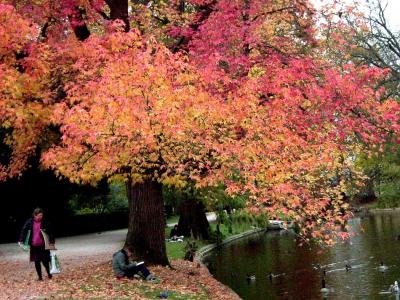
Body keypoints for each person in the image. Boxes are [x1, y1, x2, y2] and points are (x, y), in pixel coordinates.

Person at [19, 208, 55, 281]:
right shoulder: (30, 222)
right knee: (36, 261)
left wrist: (52, 241)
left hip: (43, 244)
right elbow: (24, 230)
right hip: (34, 245)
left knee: (45, 260)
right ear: (35, 215)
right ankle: (40, 277)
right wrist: (21, 240)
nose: (41, 217)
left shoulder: (45, 222)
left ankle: (49, 274)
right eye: (39, 215)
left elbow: (50, 231)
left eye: (41, 215)